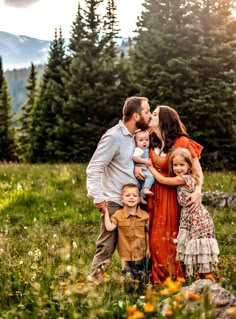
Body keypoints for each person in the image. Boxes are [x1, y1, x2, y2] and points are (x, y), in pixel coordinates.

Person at [135, 105, 204, 285]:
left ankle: (172, 279)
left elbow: (197, 173)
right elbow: (136, 155)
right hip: (153, 194)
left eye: (155, 114)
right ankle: (156, 278)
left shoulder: (182, 142)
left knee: (170, 236)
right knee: (153, 237)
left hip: (173, 196)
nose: (150, 116)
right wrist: (136, 165)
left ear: (165, 120)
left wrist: (198, 192)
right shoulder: (149, 139)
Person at [86, 96, 152, 283]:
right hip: (115, 201)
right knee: (106, 247)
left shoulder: (135, 137)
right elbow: (94, 168)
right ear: (136, 115)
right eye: (147, 111)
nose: (149, 115)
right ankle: (93, 286)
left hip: (135, 201)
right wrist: (98, 197)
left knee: (135, 246)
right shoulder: (113, 136)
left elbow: (130, 160)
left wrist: (137, 167)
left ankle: (135, 286)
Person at [146, 147, 219, 278]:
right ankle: (199, 277)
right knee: (195, 248)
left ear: (189, 166)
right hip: (191, 216)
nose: (178, 168)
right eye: (175, 165)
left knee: (199, 248)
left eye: (182, 165)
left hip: (196, 218)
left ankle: (206, 278)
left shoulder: (184, 179)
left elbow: (163, 180)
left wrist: (150, 167)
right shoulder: (188, 178)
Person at [104, 183, 149, 293]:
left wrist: (148, 249)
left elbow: (147, 233)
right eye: (128, 195)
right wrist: (105, 212)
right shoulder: (118, 214)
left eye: (134, 195)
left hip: (140, 253)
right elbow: (109, 228)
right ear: (122, 199)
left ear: (139, 199)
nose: (131, 198)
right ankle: (129, 297)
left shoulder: (145, 215)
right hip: (125, 253)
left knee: (141, 276)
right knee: (127, 277)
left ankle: (141, 297)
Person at [132, 130, 155, 204]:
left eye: (147, 140)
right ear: (136, 142)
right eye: (141, 140)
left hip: (144, 168)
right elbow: (135, 157)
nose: (144, 142)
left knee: (143, 184)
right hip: (142, 167)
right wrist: (144, 161)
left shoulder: (146, 149)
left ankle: (141, 196)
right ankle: (146, 189)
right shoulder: (138, 149)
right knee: (151, 177)